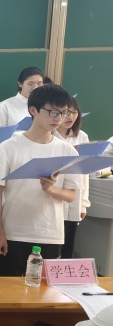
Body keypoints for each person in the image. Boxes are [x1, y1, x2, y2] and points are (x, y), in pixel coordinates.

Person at [0, 84, 81, 275]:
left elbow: (71, 195)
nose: (58, 118)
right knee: (6, 289)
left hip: (50, 233)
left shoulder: (67, 151)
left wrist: (51, 189)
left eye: (63, 113)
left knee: (45, 290)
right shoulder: (8, 147)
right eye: (52, 112)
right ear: (33, 110)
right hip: (13, 232)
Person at [54, 96, 90, 258]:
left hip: (74, 196)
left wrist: (83, 204)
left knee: (68, 245)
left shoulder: (81, 136)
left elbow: (84, 173)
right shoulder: (49, 136)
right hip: (54, 192)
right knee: (52, 246)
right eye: (66, 113)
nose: (71, 117)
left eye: (74, 113)